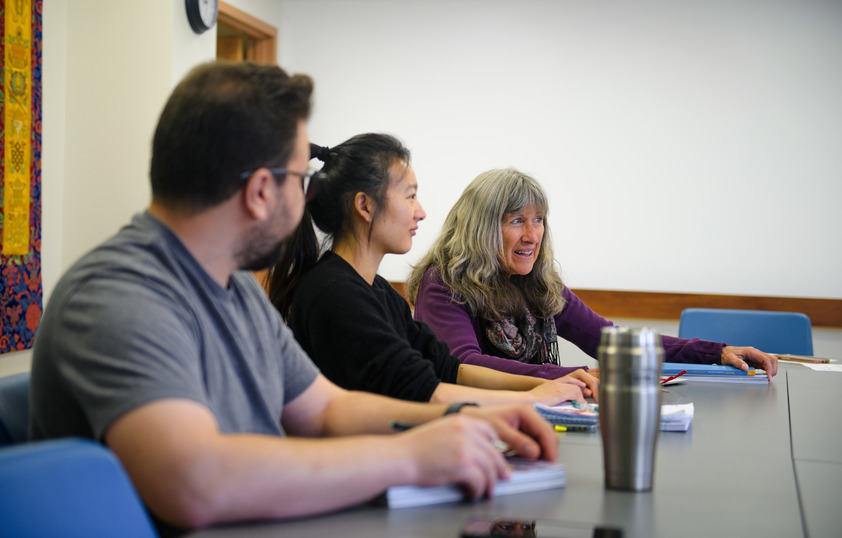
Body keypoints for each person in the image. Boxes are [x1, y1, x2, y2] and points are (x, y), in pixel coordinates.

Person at [28, 63, 558, 535]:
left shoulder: (232, 289)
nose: (307, 197)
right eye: (297, 178)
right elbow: (195, 483)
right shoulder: (120, 298)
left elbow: (327, 409)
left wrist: (468, 418)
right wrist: (409, 457)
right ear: (261, 191)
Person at [267, 134, 597, 407]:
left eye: (538, 220)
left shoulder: (378, 292)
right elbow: (426, 392)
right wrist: (534, 396)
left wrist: (545, 386)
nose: (421, 212)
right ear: (365, 205)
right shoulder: (335, 294)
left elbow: (450, 368)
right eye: (410, 197)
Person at [406, 168, 779, 382]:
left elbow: (609, 341)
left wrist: (716, 352)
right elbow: (465, 365)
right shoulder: (443, 284)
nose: (532, 235)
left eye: (538, 220)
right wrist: (578, 374)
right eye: (517, 220)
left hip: (534, 413)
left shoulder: (537, 284)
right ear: (482, 227)